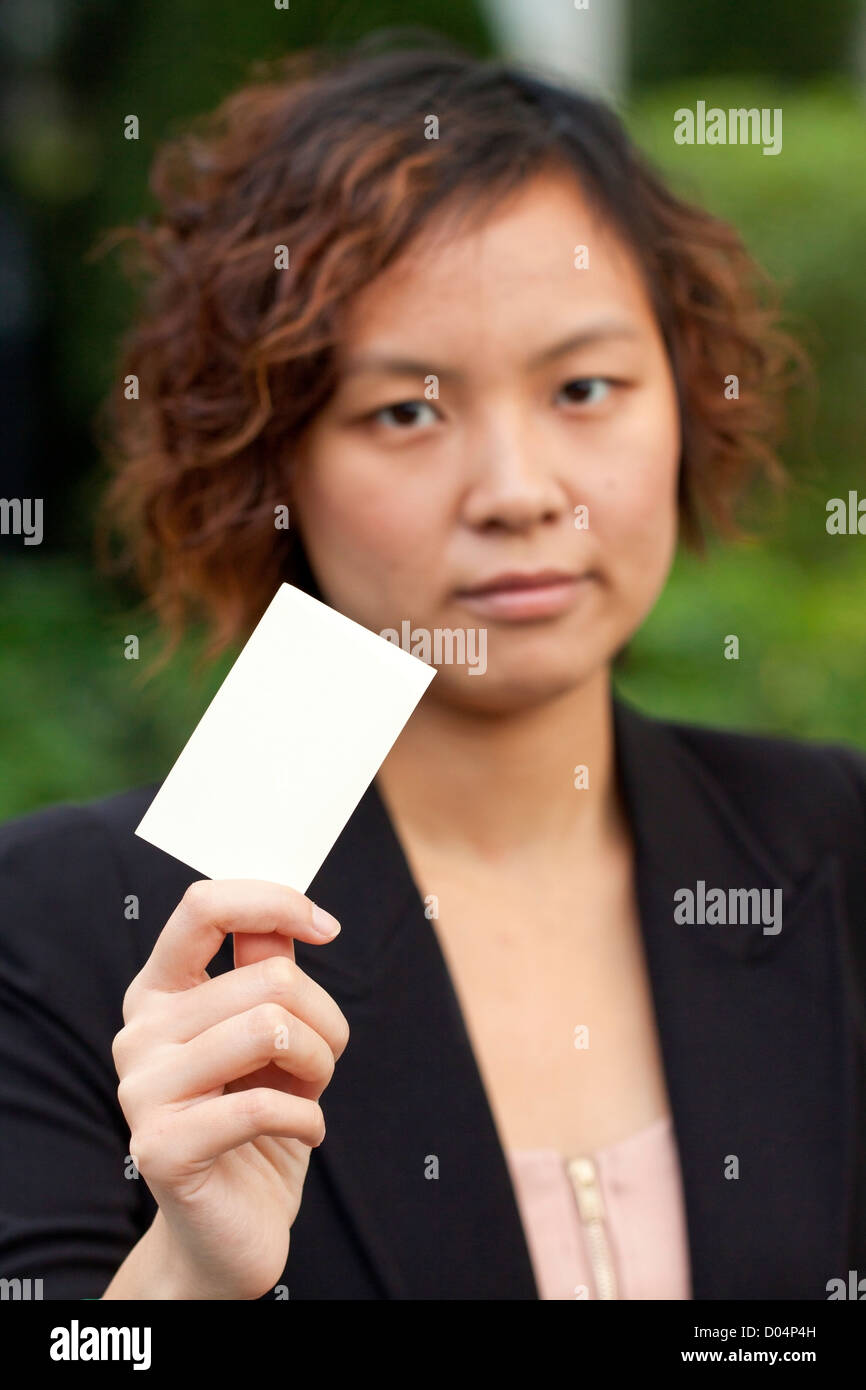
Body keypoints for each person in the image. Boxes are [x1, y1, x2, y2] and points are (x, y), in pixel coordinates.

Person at [1, 34, 864, 1302]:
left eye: (583, 386)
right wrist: (186, 1269)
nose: (519, 492)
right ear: (271, 463)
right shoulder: (65, 928)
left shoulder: (835, 839)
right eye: (404, 410)